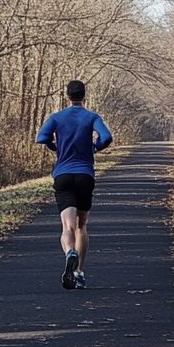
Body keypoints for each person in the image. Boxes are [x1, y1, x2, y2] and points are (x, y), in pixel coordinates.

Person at [35, 79, 113, 289]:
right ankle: (79, 271)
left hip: (63, 174)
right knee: (82, 225)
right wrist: (95, 147)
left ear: (67, 96)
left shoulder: (57, 117)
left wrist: (55, 146)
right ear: (83, 96)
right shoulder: (91, 117)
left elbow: (40, 137)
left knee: (67, 226)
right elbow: (107, 137)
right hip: (85, 174)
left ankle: (69, 252)